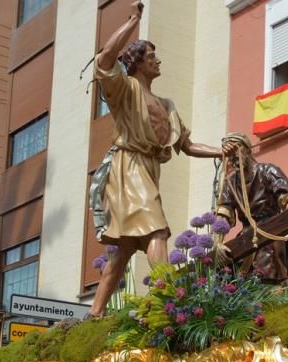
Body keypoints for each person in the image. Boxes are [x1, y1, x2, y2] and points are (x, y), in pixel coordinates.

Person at [88, 1, 231, 317]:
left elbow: (187, 145)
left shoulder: (166, 104)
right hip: (128, 167)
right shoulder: (124, 90)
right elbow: (104, 60)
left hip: (149, 169)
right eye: (151, 56)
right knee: (157, 231)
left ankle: (95, 312)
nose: (157, 60)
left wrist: (222, 151)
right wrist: (132, 22)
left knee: (124, 249)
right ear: (138, 62)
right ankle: (171, 298)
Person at [215, 132, 288, 282]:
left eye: (236, 149)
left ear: (248, 149)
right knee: (235, 279)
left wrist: (283, 225)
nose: (233, 156)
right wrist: (218, 243)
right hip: (245, 238)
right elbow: (223, 215)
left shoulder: (268, 171)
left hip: (270, 234)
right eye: (228, 154)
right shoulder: (230, 183)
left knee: (268, 276)